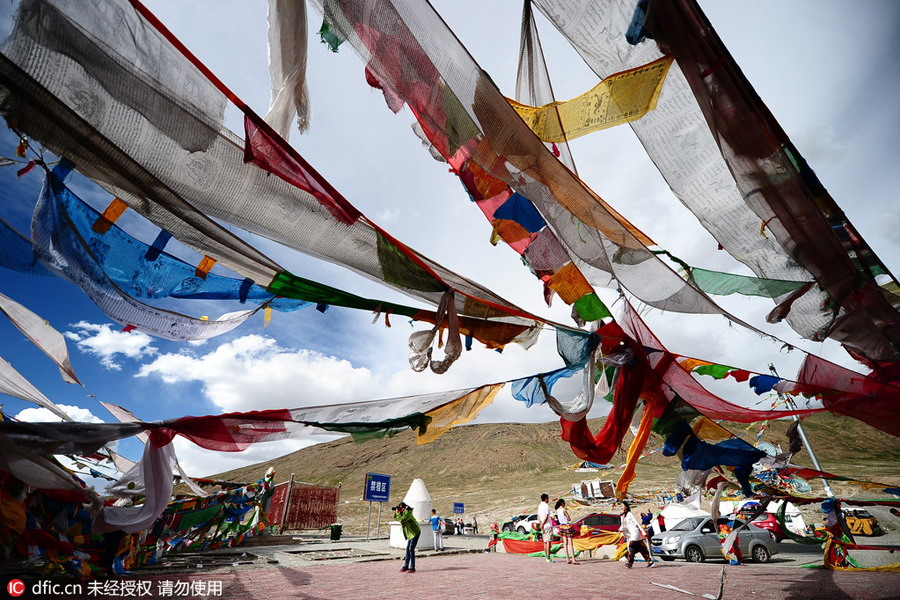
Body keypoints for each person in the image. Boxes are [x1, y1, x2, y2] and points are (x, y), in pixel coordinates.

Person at [620, 502, 653, 568]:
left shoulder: (629, 514)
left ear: (626, 506)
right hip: (630, 534)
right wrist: (620, 530)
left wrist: (643, 532)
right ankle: (650, 561)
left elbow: (637, 523)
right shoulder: (623, 516)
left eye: (622, 505)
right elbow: (624, 526)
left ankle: (630, 562)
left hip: (635, 533)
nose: (621, 507)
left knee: (631, 546)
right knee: (641, 548)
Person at [395, 503, 421, 573]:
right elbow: (396, 518)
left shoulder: (408, 513)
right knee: (407, 549)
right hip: (410, 534)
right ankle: (406, 566)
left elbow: (402, 520)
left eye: (400, 508)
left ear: (403, 508)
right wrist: (397, 512)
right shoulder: (403, 513)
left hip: (415, 532)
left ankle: (412, 567)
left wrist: (398, 513)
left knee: (411, 549)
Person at [555, 498, 580, 565]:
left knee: (565, 544)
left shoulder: (557, 510)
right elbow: (569, 518)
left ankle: (567, 559)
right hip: (567, 526)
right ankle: (573, 559)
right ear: (562, 503)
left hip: (561, 527)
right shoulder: (564, 510)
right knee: (570, 543)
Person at [538, 493, 554, 563]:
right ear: (546, 499)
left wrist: (540, 523)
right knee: (548, 542)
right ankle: (548, 557)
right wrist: (543, 523)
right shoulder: (546, 506)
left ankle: (546, 556)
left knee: (545, 541)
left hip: (543, 526)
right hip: (547, 525)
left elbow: (538, 516)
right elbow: (547, 516)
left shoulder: (540, 506)